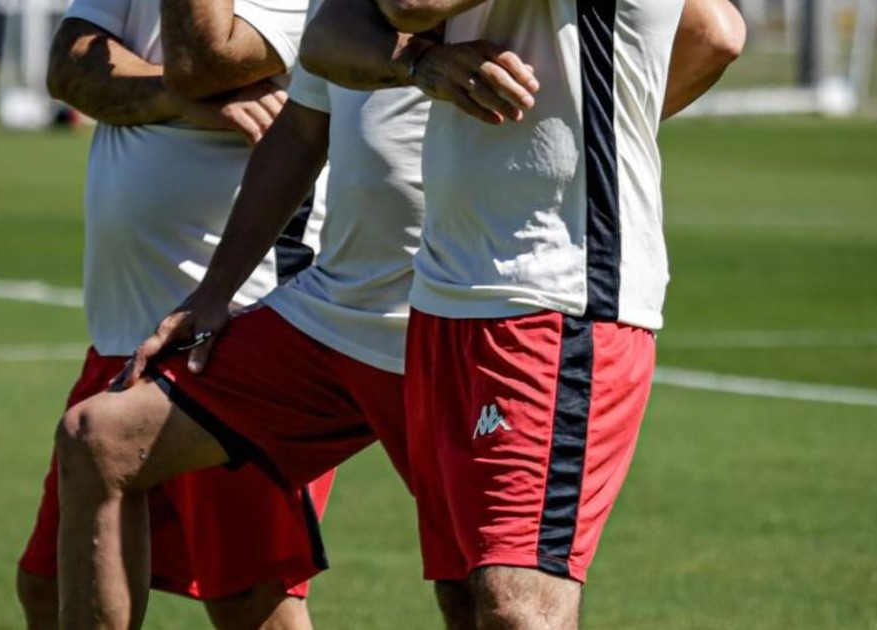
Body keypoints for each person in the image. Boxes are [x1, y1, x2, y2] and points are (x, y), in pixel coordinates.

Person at [50, 0, 744, 626]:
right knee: (101, 439)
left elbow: (713, 32)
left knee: (501, 602)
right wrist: (215, 291)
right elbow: (317, 72)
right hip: (361, 304)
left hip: (536, 298)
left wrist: (609, 123)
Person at [299, 0, 745, 627]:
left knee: (518, 604)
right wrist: (418, 61)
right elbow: (326, 37)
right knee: (465, 591)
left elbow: (410, 4)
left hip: (557, 291)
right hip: (446, 288)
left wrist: (614, 122)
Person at [14, 0, 336, 627]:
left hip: (235, 326)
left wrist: (173, 86)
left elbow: (203, 62)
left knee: (250, 597)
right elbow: (70, 68)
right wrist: (176, 99)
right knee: (49, 585)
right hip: (125, 330)